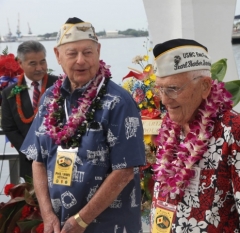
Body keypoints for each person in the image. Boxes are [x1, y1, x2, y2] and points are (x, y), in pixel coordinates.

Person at [20, 17, 145, 233]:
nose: (81, 60)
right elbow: (38, 161)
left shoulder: (119, 102)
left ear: (98, 51)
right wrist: (48, 216)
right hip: (59, 225)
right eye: (72, 53)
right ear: (58, 56)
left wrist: (81, 220)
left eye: (88, 52)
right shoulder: (49, 98)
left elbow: (124, 171)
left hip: (109, 226)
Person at [150, 38, 240, 233]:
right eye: (160, 89)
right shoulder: (170, 123)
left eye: (173, 88)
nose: (164, 100)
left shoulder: (233, 129)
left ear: (205, 86)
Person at [1, 40, 58, 180]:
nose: (39, 68)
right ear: (20, 64)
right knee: (33, 201)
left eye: (42, 62)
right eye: (33, 63)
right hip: (29, 163)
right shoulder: (9, 93)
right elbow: (9, 128)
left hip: (59, 160)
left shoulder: (59, 85)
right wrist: (30, 151)